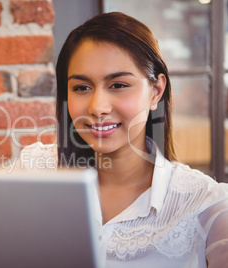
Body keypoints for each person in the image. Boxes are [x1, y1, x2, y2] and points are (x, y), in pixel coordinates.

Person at [19, 12, 228, 267]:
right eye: (81, 88)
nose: (98, 107)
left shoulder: (208, 206)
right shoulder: (32, 169)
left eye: (118, 85)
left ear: (156, 92)